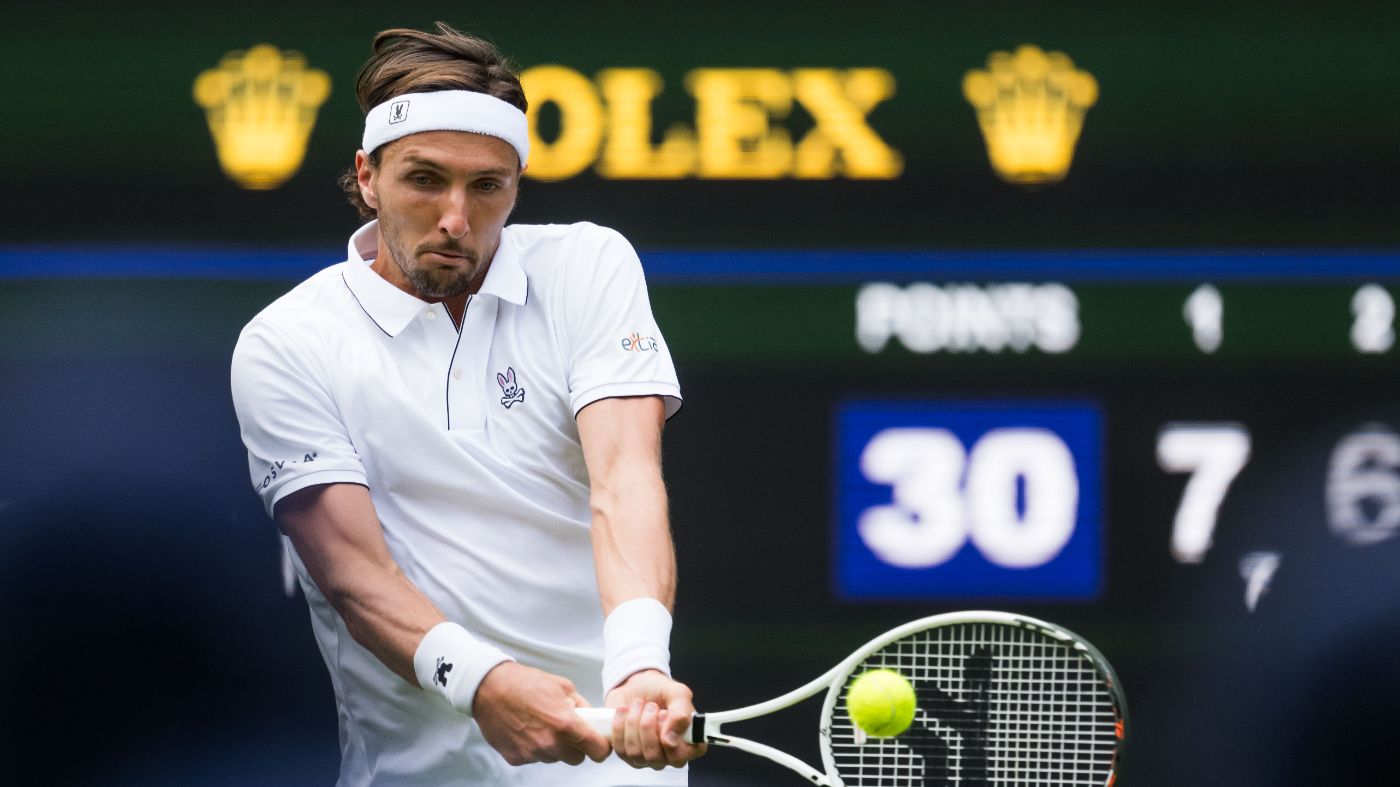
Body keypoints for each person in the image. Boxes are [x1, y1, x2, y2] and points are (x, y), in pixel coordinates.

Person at [230, 22, 703, 786]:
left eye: (488, 186)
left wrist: (641, 662)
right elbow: (353, 573)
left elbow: (625, 481)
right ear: (368, 176)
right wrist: (483, 682)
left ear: (516, 183)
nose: (456, 218)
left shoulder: (589, 264)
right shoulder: (287, 341)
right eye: (425, 179)